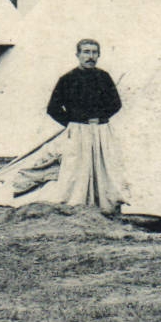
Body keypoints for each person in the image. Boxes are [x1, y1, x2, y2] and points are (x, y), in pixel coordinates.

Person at [34, 39, 126, 212]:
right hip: (77, 131)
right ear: (78, 55)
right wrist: (72, 122)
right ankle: (76, 205)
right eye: (86, 52)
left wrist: (100, 118)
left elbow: (116, 104)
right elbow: (52, 108)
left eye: (94, 52)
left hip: (101, 130)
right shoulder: (67, 79)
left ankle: (105, 206)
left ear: (98, 55)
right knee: (77, 168)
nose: (90, 56)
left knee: (104, 166)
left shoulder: (104, 77)